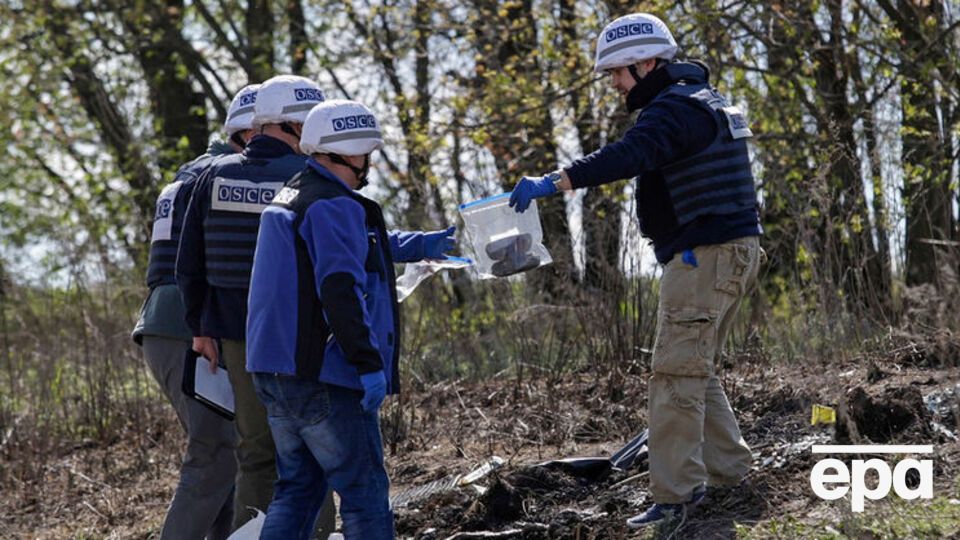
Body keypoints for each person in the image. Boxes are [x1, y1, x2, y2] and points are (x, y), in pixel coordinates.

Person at [508, 12, 763, 529]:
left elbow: (629, 155)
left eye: (619, 73)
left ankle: (677, 497)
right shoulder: (702, 102)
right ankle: (731, 471)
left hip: (705, 257)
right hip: (729, 253)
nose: (616, 85)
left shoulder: (671, 110)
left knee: (674, 373)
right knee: (693, 367)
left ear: (647, 63)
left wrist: (556, 180)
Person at [245, 99, 457, 539]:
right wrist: (367, 362)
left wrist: (422, 245)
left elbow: (354, 242)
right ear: (352, 153)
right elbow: (339, 290)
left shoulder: (296, 193)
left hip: (274, 371)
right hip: (324, 376)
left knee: (297, 489)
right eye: (368, 154)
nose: (369, 164)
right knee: (364, 492)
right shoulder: (332, 204)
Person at [176, 75, 335, 533]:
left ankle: (250, 531)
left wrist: (200, 328)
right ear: (287, 126)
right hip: (300, 335)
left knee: (255, 451)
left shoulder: (211, 176)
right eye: (309, 127)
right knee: (311, 448)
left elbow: (190, 265)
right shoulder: (308, 180)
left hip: (236, 337)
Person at [131, 83, 258, 539]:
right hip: (191, 326)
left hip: (163, 326)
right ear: (250, 133)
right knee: (215, 453)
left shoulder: (190, 172)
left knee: (230, 454)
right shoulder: (227, 175)